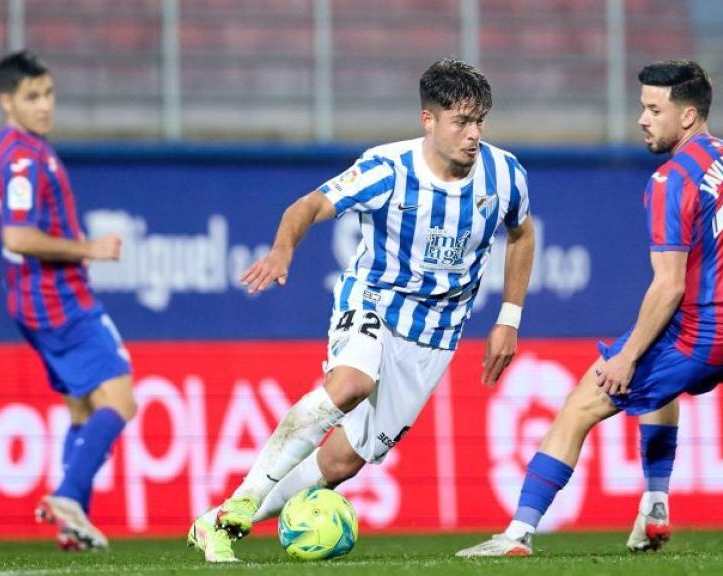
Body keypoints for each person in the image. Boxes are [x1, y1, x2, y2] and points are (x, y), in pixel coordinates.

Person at [187, 58, 536, 563]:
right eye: (461, 122)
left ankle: (216, 522)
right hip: (374, 300)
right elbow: (307, 205)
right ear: (428, 120)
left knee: (343, 460)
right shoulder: (388, 169)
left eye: (479, 121)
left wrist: (509, 317)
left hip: (436, 333)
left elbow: (522, 232)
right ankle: (242, 501)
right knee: (351, 383)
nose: (473, 134)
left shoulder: (505, 174)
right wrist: (284, 248)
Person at [455, 59, 723, 557]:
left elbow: (668, 288)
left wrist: (625, 357)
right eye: (642, 106)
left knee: (579, 406)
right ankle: (656, 504)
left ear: (687, 117)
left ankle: (517, 535)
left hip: (699, 336)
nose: (642, 118)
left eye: (653, 108)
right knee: (660, 387)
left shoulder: (673, 179)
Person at [0, 50, 138, 551]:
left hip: (35, 298)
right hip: (56, 297)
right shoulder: (24, 156)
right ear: (6, 101)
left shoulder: (15, 146)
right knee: (120, 400)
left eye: (49, 93)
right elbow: (17, 235)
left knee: (82, 409)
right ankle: (69, 495)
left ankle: (75, 520)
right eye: (32, 96)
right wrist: (88, 249)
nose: (45, 105)